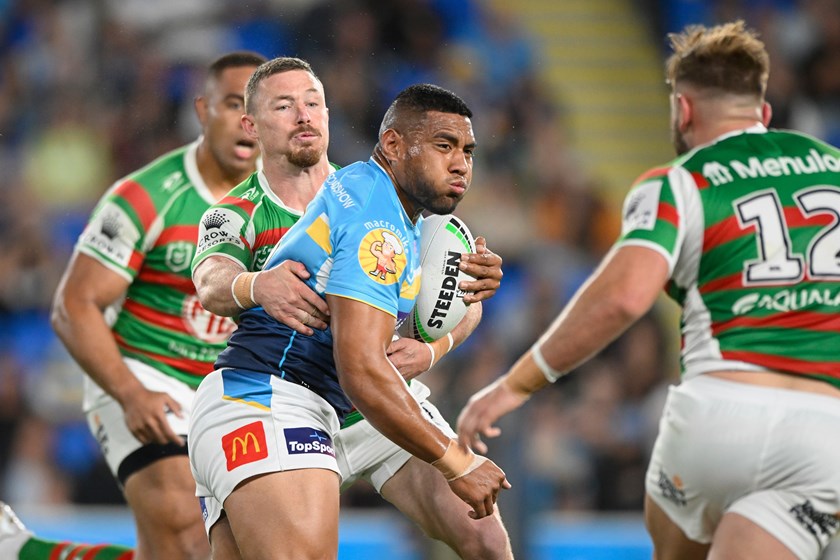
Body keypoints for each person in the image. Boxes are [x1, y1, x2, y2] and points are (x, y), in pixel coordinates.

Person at [457, 20, 840, 560]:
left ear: (683, 110)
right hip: (825, 427)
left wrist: (515, 386)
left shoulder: (680, 181)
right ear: (765, 112)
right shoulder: (834, 171)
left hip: (722, 409)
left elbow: (623, 297)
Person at [190, 57, 512, 559]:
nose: (304, 115)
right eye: (284, 105)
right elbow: (211, 280)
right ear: (251, 125)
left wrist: (439, 340)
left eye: (313, 103)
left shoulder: (387, 198)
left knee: (486, 540)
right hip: (275, 396)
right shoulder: (267, 212)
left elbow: (452, 307)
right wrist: (254, 284)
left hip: (355, 401)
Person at [49, 51, 267, 560]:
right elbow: (73, 305)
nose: (246, 121)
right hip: (149, 376)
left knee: (224, 549)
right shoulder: (147, 195)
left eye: (258, 108)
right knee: (189, 534)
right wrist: (131, 394)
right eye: (232, 104)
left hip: (233, 388)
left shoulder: (292, 196)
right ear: (202, 110)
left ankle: (34, 553)